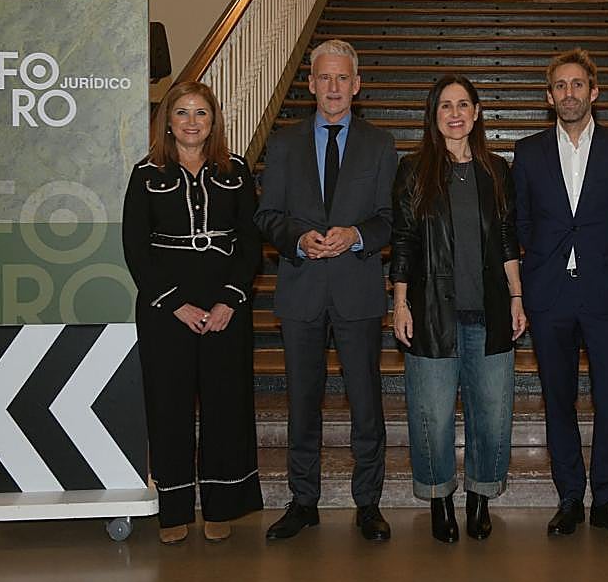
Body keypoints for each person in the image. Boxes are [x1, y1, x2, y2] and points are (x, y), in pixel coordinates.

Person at [254, 39, 398, 542]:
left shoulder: (381, 145)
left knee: (366, 401)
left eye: (343, 78)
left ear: (356, 86)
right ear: (310, 84)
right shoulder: (284, 144)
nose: (333, 87)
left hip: (357, 292)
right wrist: (296, 237)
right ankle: (303, 501)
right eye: (324, 78)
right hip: (301, 293)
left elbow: (389, 219)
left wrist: (355, 235)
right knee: (301, 402)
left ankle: (369, 503)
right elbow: (266, 216)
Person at [512, 47, 608, 539]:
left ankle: (607, 498)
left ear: (594, 92)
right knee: (558, 398)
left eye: (578, 85)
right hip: (549, 294)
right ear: (550, 97)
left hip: (605, 290)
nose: (569, 93)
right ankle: (569, 496)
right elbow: (522, 220)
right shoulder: (528, 153)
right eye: (560, 86)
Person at [122, 81, 263, 545]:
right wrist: (177, 305)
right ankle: (174, 509)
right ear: (168, 120)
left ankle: (222, 504)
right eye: (181, 112)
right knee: (169, 406)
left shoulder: (237, 170)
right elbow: (135, 250)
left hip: (226, 305)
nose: (191, 121)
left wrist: (228, 300)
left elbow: (250, 242)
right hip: (167, 309)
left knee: (226, 404)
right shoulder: (145, 174)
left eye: (200, 112)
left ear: (213, 120)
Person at [390, 75, 527, 543]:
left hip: (489, 312)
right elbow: (404, 241)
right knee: (431, 414)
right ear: (434, 115)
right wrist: (401, 302)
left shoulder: (496, 171)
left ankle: (479, 496)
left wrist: (516, 297)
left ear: (476, 112)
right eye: (445, 105)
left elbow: (508, 236)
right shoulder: (413, 170)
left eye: (463, 104)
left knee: (493, 411)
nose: (455, 113)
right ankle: (440, 497)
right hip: (431, 312)